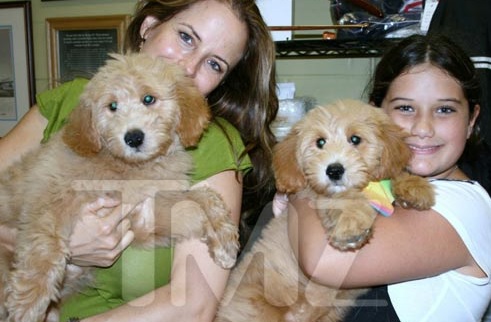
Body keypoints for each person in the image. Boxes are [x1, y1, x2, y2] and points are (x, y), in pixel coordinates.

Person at [0, 0, 278, 321]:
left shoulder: (213, 143)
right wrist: (59, 243)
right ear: (148, 28)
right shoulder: (74, 101)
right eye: (186, 37)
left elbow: (193, 305)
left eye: (214, 64)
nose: (188, 67)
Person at [278, 34, 491, 321]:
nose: (423, 128)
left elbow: (325, 261)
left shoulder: (467, 206)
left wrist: (302, 190)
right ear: (374, 115)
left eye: (444, 110)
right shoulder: (381, 189)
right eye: (405, 108)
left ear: (472, 121)